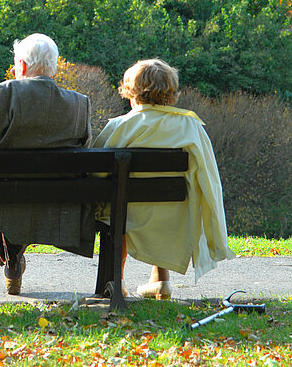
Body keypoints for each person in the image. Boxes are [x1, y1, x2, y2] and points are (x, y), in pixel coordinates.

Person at [0, 33, 94, 295]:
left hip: (4, 200)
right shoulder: (80, 103)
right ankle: (13, 253)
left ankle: (12, 251)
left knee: (8, 192)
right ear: (54, 66)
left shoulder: (4, 92)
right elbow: (87, 149)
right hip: (59, 201)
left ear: (21, 66)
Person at [93, 58, 235, 299]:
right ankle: (160, 280)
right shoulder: (191, 126)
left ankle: (117, 279)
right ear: (171, 93)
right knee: (162, 210)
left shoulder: (120, 126)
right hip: (176, 211)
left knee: (119, 209)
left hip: (126, 213)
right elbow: (209, 178)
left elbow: (96, 171)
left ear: (132, 93)